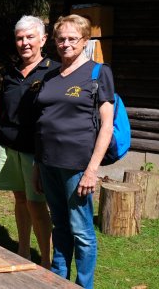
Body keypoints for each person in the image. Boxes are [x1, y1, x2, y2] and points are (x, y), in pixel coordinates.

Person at [33, 14, 114, 288]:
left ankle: (84, 284)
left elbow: (106, 125)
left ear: (84, 40)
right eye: (60, 39)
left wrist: (92, 170)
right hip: (48, 163)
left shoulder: (98, 73)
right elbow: (42, 121)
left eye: (72, 39)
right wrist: (37, 166)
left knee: (81, 231)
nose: (65, 44)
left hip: (77, 166)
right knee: (60, 225)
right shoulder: (51, 75)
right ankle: (59, 279)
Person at [0, 16, 57, 267]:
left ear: (43, 39)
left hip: (35, 151)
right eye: (20, 38)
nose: (24, 42)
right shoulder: (10, 72)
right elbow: (0, 108)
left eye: (30, 37)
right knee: (20, 200)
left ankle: (47, 261)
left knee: (37, 205)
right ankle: (22, 251)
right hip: (9, 146)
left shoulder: (53, 71)